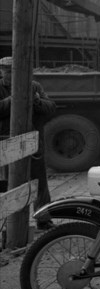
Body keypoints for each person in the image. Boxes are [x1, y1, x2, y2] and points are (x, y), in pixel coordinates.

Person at [0, 56, 56, 229]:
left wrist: (36, 101)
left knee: (39, 182)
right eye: (8, 71)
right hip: (7, 144)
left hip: (33, 141)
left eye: (15, 71)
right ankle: (11, 224)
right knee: (10, 183)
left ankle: (43, 218)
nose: (11, 75)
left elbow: (51, 107)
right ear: (1, 71)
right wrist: (16, 99)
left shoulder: (34, 86)